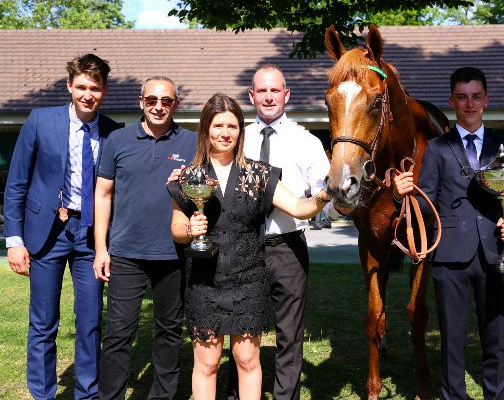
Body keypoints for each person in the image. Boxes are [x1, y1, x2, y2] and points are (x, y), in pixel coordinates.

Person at [168, 93, 331, 399]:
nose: (225, 133)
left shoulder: (259, 173)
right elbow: (177, 229)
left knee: (247, 360)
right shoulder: (189, 175)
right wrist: (190, 229)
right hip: (204, 281)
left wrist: (325, 195)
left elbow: (298, 207)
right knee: (207, 363)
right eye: (218, 126)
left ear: (240, 131)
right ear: (206, 130)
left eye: (232, 126)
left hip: (248, 280)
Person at [393, 67, 504, 400]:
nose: (470, 104)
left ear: (486, 100)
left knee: (495, 338)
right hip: (450, 255)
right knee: (452, 339)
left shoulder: (503, 146)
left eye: (476, 97)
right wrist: (402, 195)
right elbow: (426, 203)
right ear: (452, 101)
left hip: (495, 252)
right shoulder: (437, 148)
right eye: (462, 97)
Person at [223, 63, 347, 399]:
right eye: (261, 91)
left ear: (286, 94)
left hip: (287, 248)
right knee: (241, 333)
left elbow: (325, 194)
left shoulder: (306, 141)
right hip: (242, 247)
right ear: (251, 95)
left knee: (289, 335)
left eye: (274, 90)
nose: (268, 97)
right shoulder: (235, 138)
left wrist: (340, 201)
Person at [3, 54, 120, 399]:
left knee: (90, 321)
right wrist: (14, 240)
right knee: (43, 321)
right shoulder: (40, 120)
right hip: (47, 231)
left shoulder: (114, 131)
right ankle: (42, 393)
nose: (87, 95)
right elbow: (17, 183)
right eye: (81, 87)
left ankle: (87, 392)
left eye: (94, 88)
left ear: (104, 90)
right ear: (69, 86)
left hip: (91, 234)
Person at [93, 76, 196, 399]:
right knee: (118, 334)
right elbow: (103, 194)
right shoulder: (118, 140)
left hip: (174, 254)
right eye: (152, 100)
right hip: (126, 254)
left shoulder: (192, 142)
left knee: (169, 332)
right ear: (141, 102)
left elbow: (208, 189)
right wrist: (101, 249)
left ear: (176, 104)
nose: (158, 107)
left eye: (166, 101)